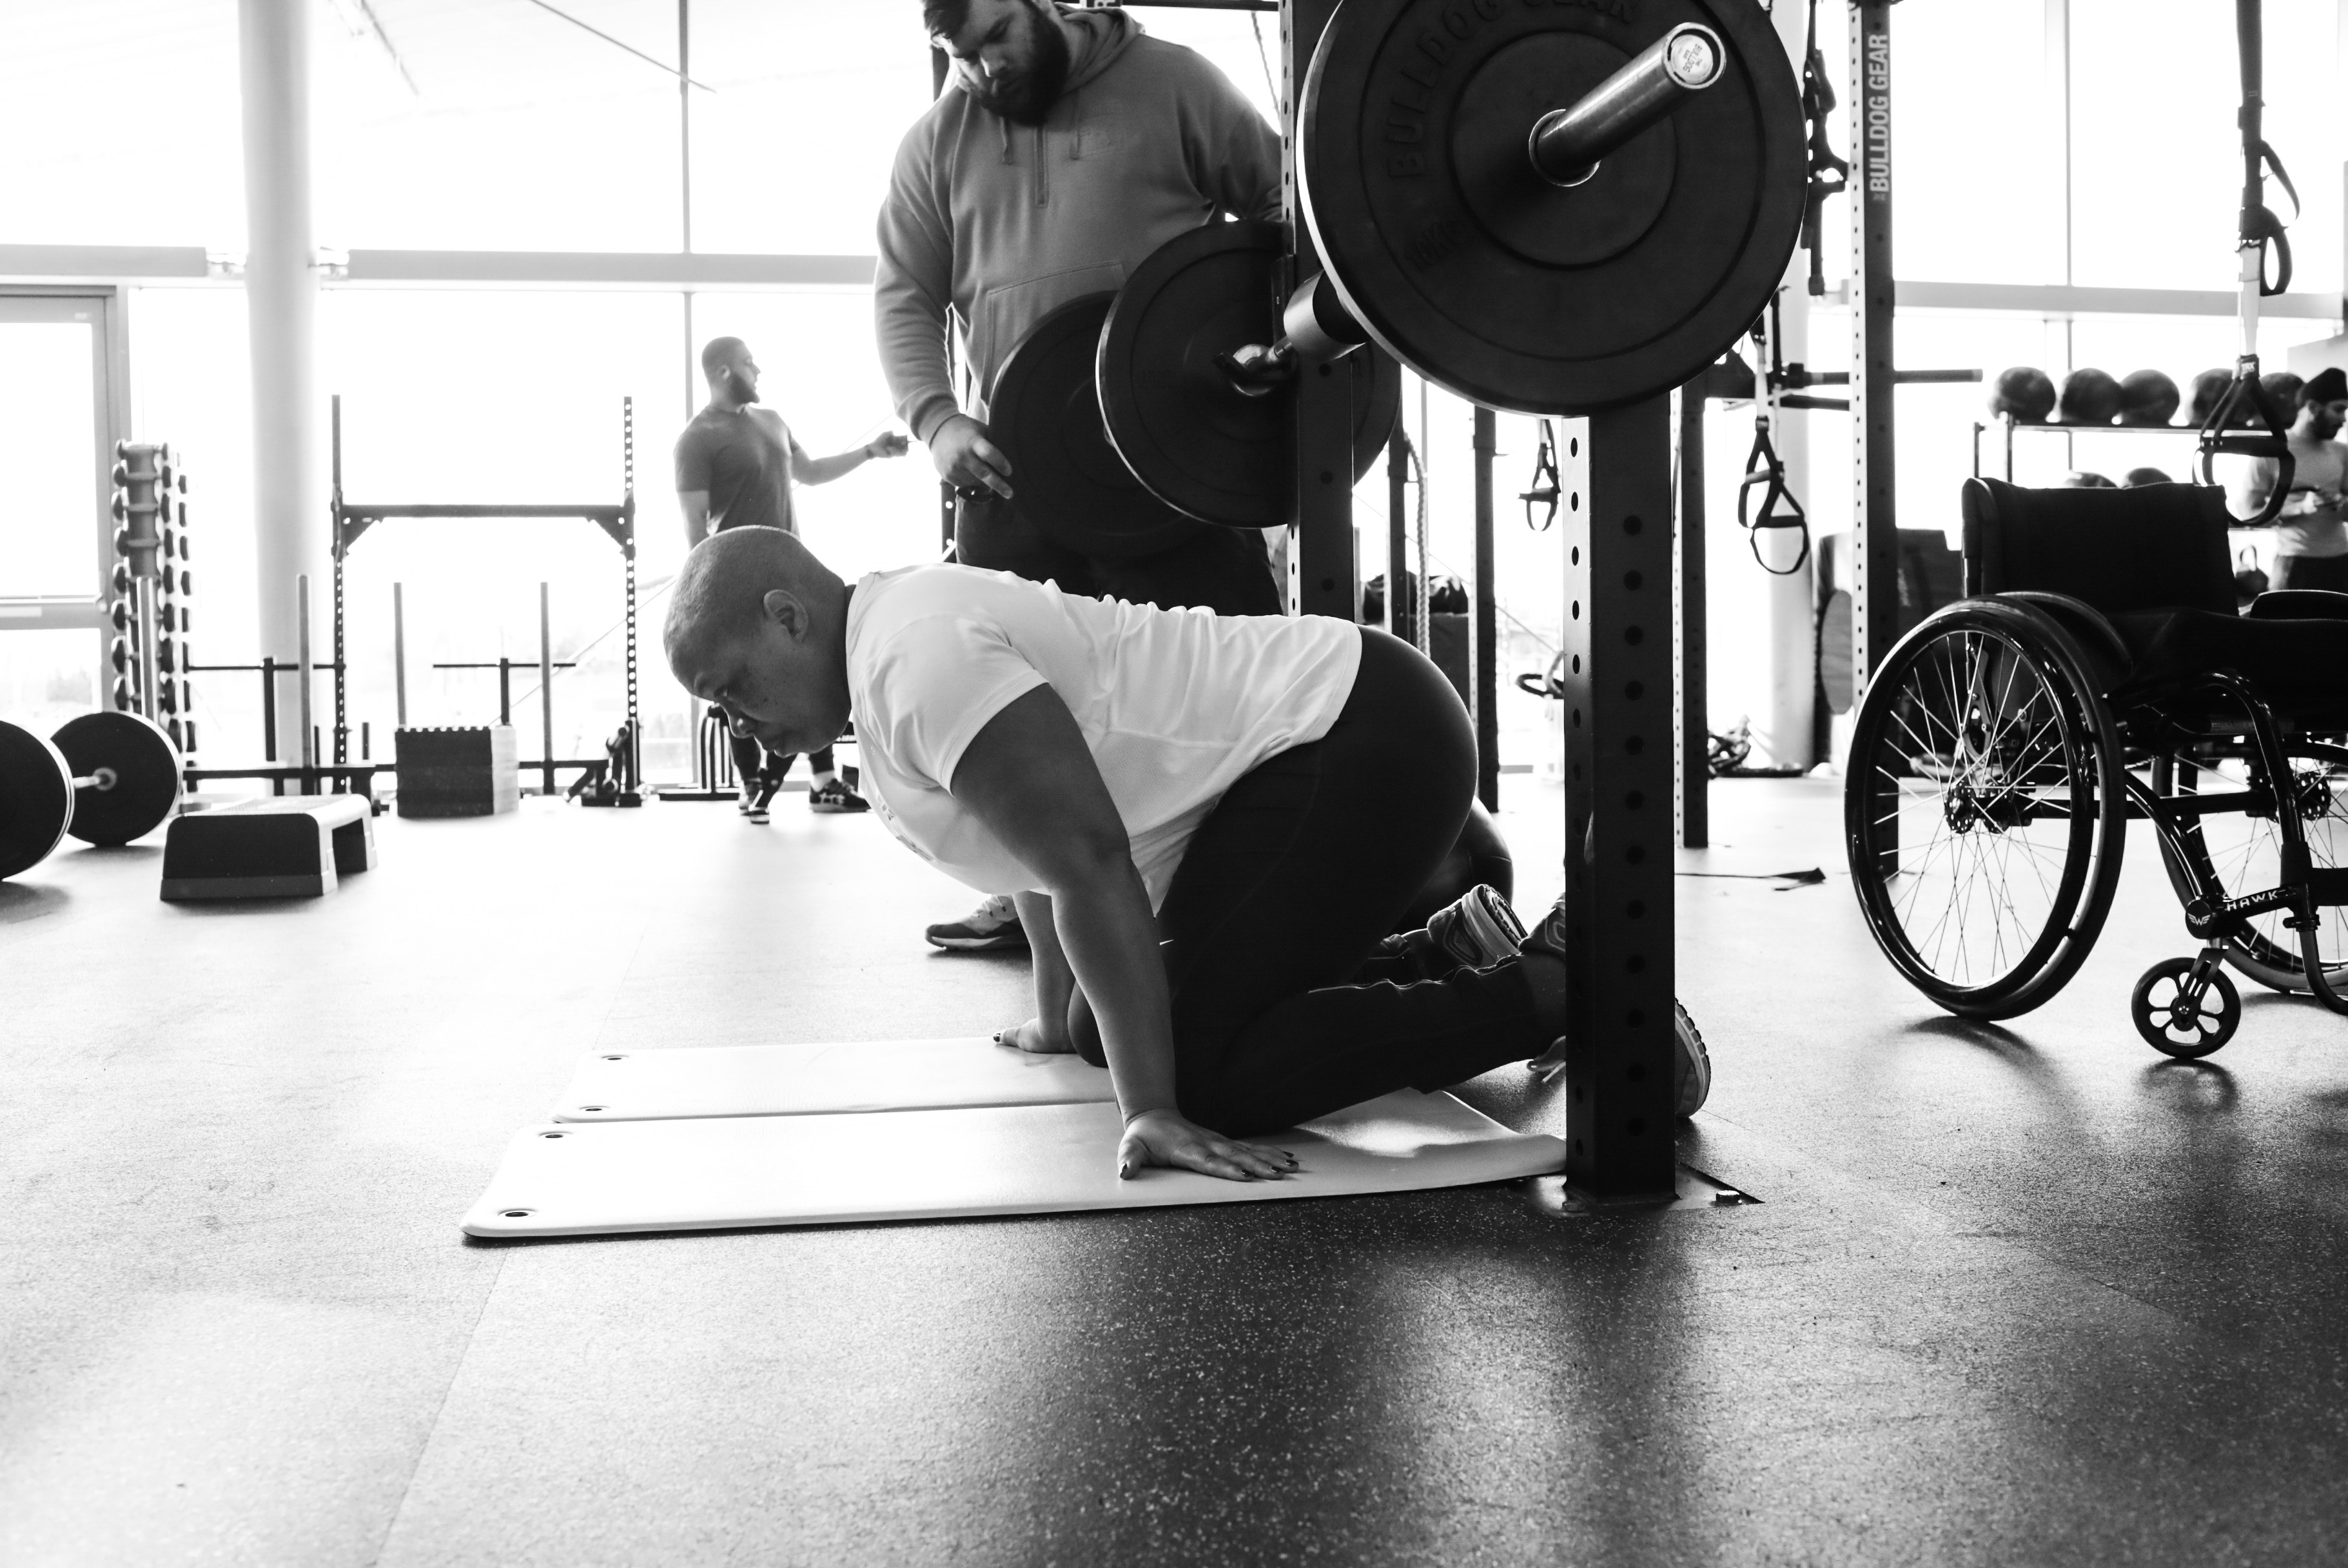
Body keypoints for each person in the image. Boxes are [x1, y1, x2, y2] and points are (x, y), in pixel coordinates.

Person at [662, 527, 1710, 1182]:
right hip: (1307, 760)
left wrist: (1153, 1112)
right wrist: (1053, 1017)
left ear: (788, 617)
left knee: (1205, 1076)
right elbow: (1028, 853)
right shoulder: (884, 654)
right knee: (1102, 1027)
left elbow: (1088, 863)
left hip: (1358, 736)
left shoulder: (911, 657)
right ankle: (1443, 952)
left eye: (731, 689)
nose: (739, 723)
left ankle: (1567, 984)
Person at [878, 0, 1287, 947]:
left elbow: (1285, 210)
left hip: (1173, 465)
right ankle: (1030, 891)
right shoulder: (937, 143)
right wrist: (937, 420)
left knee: (1228, 681)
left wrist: (1256, 338)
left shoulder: (1175, 83)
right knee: (1009, 699)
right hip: (1018, 473)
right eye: (960, 56)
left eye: (994, 39)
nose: (983, 69)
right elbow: (903, 295)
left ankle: (1245, 890)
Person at [676, 335, 910, 818]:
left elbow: (813, 471)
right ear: (723, 372)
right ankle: (750, 784)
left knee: (810, 661)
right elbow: (695, 528)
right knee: (738, 683)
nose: (757, 370)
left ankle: (822, 782)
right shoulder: (696, 439)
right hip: (737, 583)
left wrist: (871, 452)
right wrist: (707, 597)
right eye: (748, 363)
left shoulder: (772, 421)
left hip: (787, 570)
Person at [2229, 366, 2348, 594]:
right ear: (2312, 408)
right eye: (2339, 410)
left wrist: (2342, 504)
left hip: (2342, 562)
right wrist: (2299, 508)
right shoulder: (2272, 452)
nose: (2344, 419)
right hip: (2295, 565)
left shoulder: (2342, 452)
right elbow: (2248, 513)